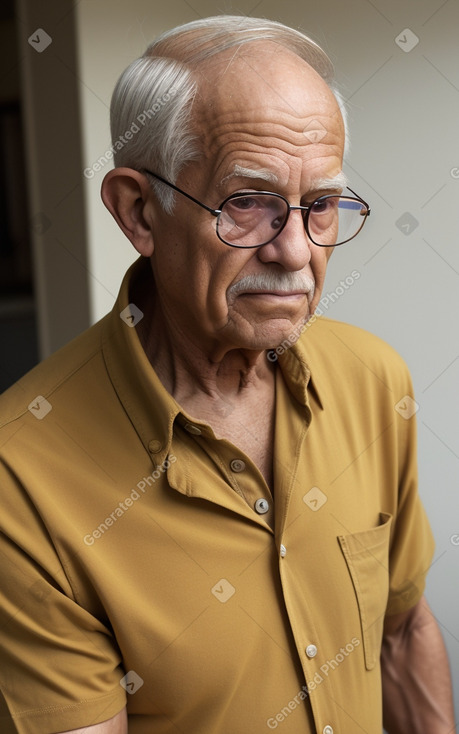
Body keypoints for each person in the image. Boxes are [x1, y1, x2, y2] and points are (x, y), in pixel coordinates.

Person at [0, 15, 455, 734]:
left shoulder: (374, 378)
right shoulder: (18, 481)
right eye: (248, 203)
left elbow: (399, 635)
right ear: (140, 212)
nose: (296, 254)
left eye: (322, 207)